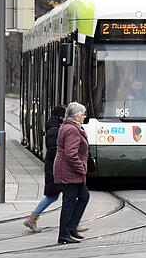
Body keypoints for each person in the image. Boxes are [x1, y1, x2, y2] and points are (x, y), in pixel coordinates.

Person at [24, 106, 86, 233]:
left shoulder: (58, 127)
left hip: (57, 167)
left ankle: (73, 223)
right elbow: (56, 151)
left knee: (66, 196)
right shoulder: (55, 130)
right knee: (54, 196)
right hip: (57, 168)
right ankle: (32, 219)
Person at [53, 102, 91, 244]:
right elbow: (70, 154)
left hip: (69, 171)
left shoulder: (68, 126)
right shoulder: (72, 129)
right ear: (76, 116)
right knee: (68, 203)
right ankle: (64, 233)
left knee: (83, 196)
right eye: (83, 114)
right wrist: (81, 168)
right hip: (69, 172)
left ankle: (71, 227)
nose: (84, 116)